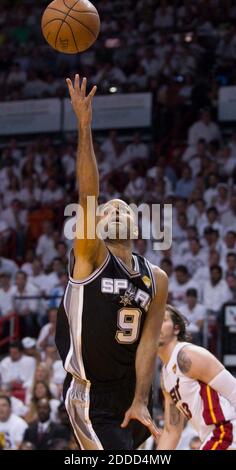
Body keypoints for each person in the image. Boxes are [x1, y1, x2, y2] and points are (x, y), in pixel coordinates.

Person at [55, 74, 168, 450]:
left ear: (137, 225)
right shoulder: (90, 256)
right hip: (92, 396)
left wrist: (140, 398)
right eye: (108, 210)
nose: (116, 209)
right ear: (96, 226)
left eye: (124, 208)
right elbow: (88, 193)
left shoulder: (157, 277)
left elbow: (149, 342)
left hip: (131, 396)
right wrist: (84, 125)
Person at [157, 305, 236, 450]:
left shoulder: (188, 355)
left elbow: (234, 391)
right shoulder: (165, 375)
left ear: (176, 329)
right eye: (153, 321)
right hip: (212, 437)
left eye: (162, 320)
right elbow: (171, 432)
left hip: (226, 432)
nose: (155, 325)